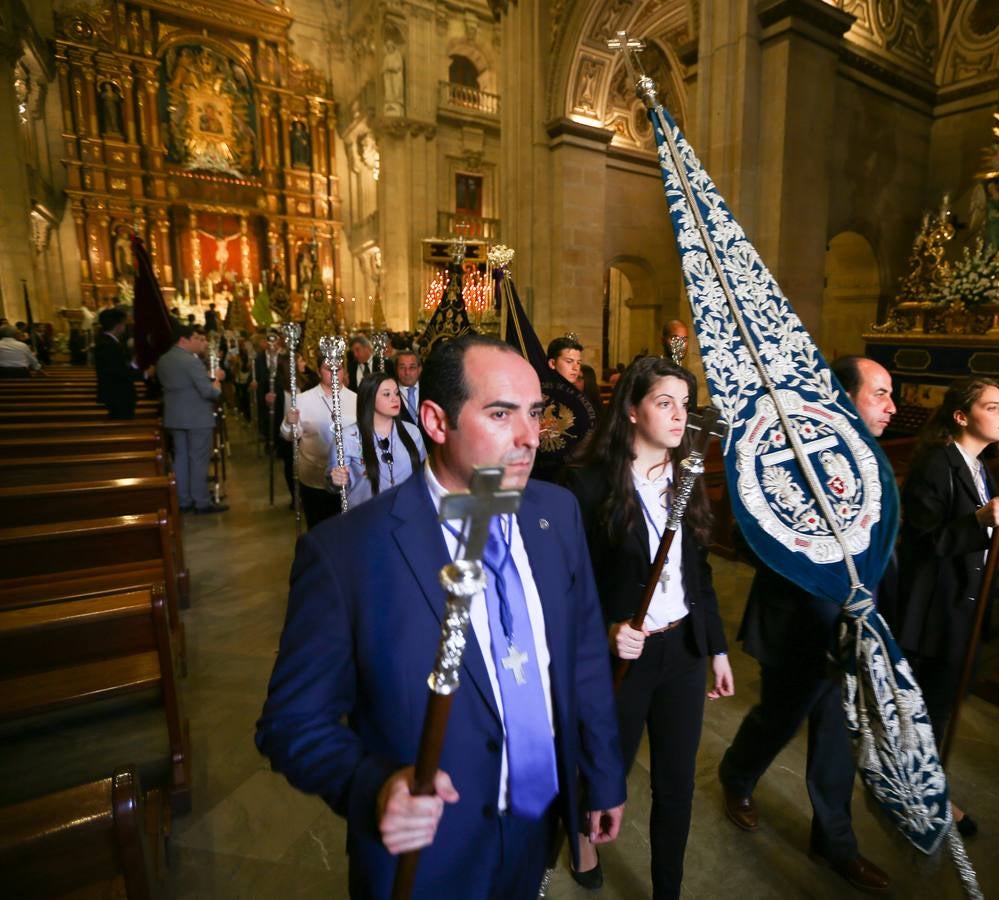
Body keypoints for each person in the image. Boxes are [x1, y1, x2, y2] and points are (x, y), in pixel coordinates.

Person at [256, 335, 626, 899]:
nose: (530, 437)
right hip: (428, 858)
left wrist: (601, 773)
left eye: (533, 413)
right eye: (500, 414)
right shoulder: (347, 553)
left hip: (537, 823)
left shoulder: (557, 513)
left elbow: (581, 656)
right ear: (434, 420)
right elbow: (290, 723)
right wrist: (372, 786)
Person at [717, 355, 895, 895]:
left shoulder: (870, 460)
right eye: (881, 393)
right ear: (843, 396)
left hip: (850, 627)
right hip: (797, 622)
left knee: (837, 738)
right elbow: (756, 532)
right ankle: (737, 777)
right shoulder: (793, 451)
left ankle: (835, 844)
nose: (892, 406)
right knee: (779, 718)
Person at [564, 356, 734, 898]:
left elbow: (697, 572)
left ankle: (668, 889)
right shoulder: (588, 485)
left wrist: (717, 648)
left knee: (677, 785)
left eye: (685, 405)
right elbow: (567, 587)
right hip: (622, 658)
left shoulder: (689, 477)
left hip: (681, 650)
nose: (680, 416)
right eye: (665, 403)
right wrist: (609, 631)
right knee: (602, 764)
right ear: (633, 410)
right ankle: (582, 838)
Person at [888, 377, 999, 836]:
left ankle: (926, 787)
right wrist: (979, 520)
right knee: (928, 705)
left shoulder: (982, 468)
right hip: (935, 605)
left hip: (965, 601)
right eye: (993, 406)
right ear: (961, 417)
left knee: (942, 700)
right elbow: (924, 540)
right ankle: (918, 795)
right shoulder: (936, 464)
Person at [280, 355, 357, 529]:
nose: (334, 373)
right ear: (318, 371)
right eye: (328, 369)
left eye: (339, 368)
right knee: (318, 529)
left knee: (346, 531)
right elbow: (289, 435)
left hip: (349, 478)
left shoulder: (356, 400)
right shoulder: (303, 400)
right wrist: (289, 422)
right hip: (314, 477)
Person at [158, 323, 228, 514]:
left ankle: (183, 499)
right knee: (198, 459)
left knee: (181, 458)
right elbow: (209, 392)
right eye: (195, 338)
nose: (198, 342)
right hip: (196, 417)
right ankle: (201, 501)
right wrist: (217, 381)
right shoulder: (190, 361)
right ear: (184, 339)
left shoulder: (164, 359)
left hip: (174, 417)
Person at [329, 373, 425, 508]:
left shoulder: (412, 431)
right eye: (387, 394)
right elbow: (336, 482)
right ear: (369, 398)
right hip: (365, 513)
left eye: (396, 393)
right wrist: (337, 480)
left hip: (407, 509)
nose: (395, 399)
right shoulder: (347, 437)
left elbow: (423, 474)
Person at [93, 308, 142, 416]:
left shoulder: (107, 342)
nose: (125, 327)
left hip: (117, 395)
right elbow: (120, 372)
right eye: (124, 324)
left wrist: (133, 363)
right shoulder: (109, 345)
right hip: (119, 395)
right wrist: (146, 374)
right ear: (118, 325)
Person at [394, 349, 422, 427]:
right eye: (402, 368)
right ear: (396, 370)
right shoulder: (389, 393)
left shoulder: (430, 390)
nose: (407, 372)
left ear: (419, 369)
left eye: (412, 367)